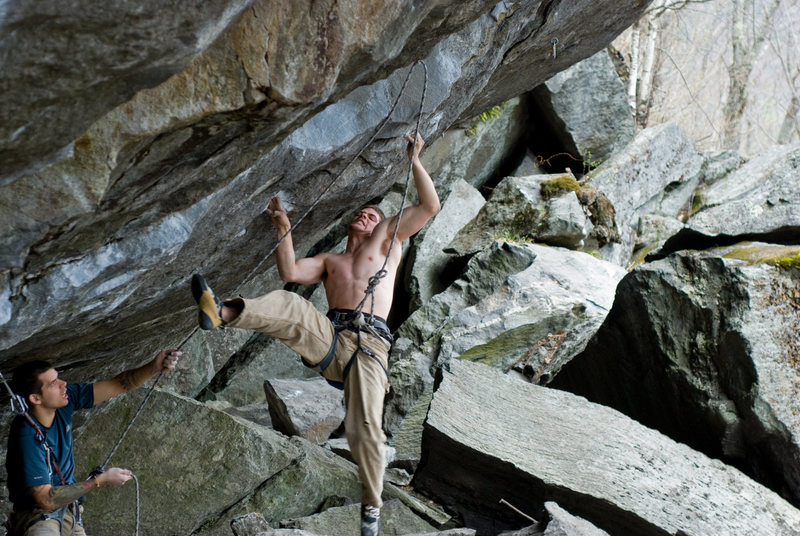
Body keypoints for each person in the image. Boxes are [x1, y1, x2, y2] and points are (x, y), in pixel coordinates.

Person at [191, 133, 439, 536]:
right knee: (292, 307)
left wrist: (415, 160)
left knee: (363, 428)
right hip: (332, 338)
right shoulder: (330, 260)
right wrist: (283, 228)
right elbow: (289, 273)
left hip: (370, 349)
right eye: (361, 213)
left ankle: (371, 511)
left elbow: (430, 206)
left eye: (373, 214)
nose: (366, 216)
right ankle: (220, 313)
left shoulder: (388, 241)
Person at [5, 349, 182, 536]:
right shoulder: (26, 436)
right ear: (35, 398)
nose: (63, 384)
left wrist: (153, 367)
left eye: (58, 378)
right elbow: (46, 500)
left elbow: (121, 383)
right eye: (53, 383)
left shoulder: (66, 400)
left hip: (69, 512)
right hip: (35, 516)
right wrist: (100, 480)